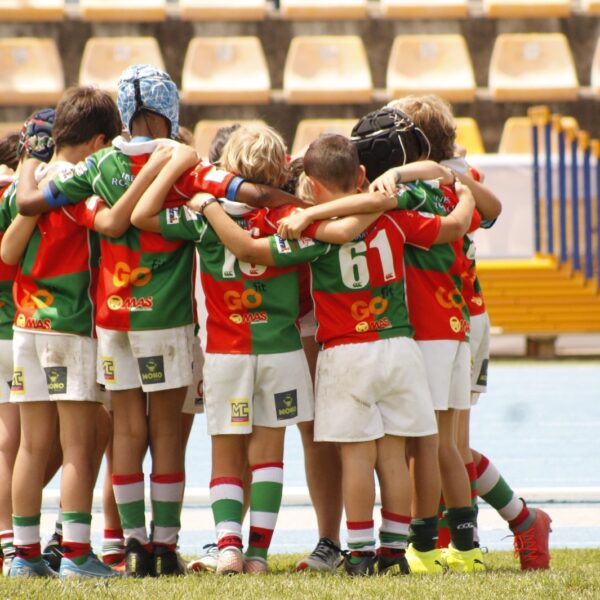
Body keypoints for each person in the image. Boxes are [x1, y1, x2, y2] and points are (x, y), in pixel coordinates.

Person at [192, 133, 478, 576]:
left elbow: (251, 248)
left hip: (344, 351)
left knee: (357, 458)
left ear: (311, 184)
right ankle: (394, 552)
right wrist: (461, 196)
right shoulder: (396, 213)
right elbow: (457, 225)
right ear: (362, 175)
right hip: (398, 347)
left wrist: (210, 203)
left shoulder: (312, 231)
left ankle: (359, 551)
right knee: (393, 455)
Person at [131, 124, 316, 575]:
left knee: (226, 451)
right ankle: (257, 555)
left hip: (227, 352)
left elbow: (141, 215)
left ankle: (227, 545)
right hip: (282, 352)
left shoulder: (201, 216)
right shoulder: (292, 218)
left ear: (228, 168)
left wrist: (206, 195)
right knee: (269, 454)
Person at [0, 87, 164, 579]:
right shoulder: (81, 186)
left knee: (32, 444)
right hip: (72, 327)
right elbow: (114, 223)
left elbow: (8, 255)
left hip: (27, 325)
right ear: (97, 142)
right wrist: (148, 176)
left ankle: (24, 557)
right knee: (77, 444)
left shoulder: (24, 187)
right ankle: (75, 552)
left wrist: (31, 163)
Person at [387, 95, 551, 571]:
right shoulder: (456, 178)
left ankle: (493, 527)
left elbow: (483, 209)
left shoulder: (438, 183)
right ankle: (482, 530)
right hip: (463, 314)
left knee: (436, 441)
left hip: (450, 317)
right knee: (448, 443)